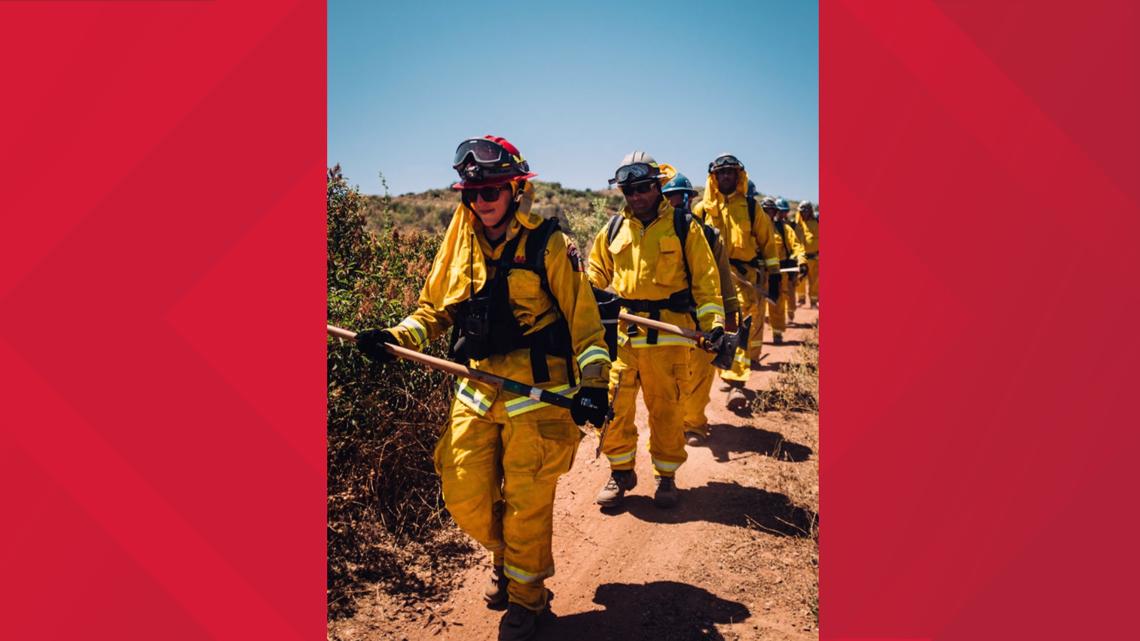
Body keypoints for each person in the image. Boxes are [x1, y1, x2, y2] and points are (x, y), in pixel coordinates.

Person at [354, 136, 611, 641]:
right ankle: (506, 557)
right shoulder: (460, 242)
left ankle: (527, 600)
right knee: (463, 494)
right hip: (476, 390)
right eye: (472, 193)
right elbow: (434, 311)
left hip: (538, 398)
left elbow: (586, 327)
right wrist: (393, 337)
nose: (481, 201)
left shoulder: (550, 245)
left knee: (525, 504)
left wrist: (595, 387)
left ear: (516, 188)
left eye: (491, 190)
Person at [587, 152, 724, 508]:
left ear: (658, 186)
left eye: (643, 188)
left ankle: (666, 478)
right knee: (614, 407)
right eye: (628, 190)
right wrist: (578, 283)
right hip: (624, 336)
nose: (636, 196)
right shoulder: (614, 229)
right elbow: (595, 275)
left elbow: (707, 286)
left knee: (666, 413)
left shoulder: (683, 227)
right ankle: (620, 473)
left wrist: (715, 326)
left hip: (670, 336)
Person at [693, 155, 780, 411]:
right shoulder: (702, 209)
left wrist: (773, 276)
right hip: (709, 279)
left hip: (743, 280)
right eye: (721, 173)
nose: (726, 177)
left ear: (739, 176)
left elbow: (768, 243)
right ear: (714, 178)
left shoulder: (752, 208)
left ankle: (735, 383)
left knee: (737, 324)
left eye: (730, 172)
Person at [661, 172, 739, 445]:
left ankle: (694, 425)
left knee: (701, 373)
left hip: (703, 317)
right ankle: (673, 424)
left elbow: (723, 278)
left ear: (690, 199)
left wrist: (729, 316)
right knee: (670, 377)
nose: (676, 203)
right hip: (669, 319)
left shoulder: (708, 234)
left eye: (680, 197)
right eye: (669, 197)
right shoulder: (657, 234)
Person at [762, 197, 808, 344]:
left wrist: (801, 261)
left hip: (778, 273)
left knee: (777, 303)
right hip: (757, 273)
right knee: (753, 306)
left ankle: (777, 333)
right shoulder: (753, 228)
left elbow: (797, 246)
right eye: (764, 211)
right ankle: (751, 344)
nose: (768, 214)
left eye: (771, 211)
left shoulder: (784, 229)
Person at [798, 200, 819, 308]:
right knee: (800, 279)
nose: (804, 213)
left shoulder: (817, 223)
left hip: (815, 257)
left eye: (806, 211)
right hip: (802, 258)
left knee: (815, 281)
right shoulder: (798, 223)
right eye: (802, 211)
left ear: (810, 211)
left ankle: (814, 301)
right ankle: (801, 300)